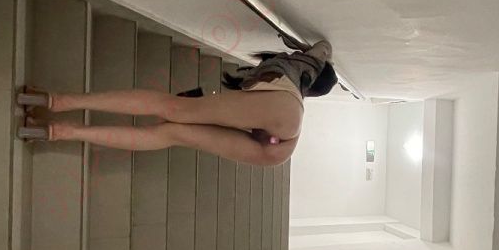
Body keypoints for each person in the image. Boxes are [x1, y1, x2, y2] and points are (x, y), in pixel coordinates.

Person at [17, 40, 336, 166]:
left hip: (283, 115)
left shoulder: (302, 70)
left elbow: (323, 47)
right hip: (276, 151)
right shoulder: (293, 88)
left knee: (172, 108)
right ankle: (59, 132)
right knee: (171, 132)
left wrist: (312, 52)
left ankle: (55, 100)